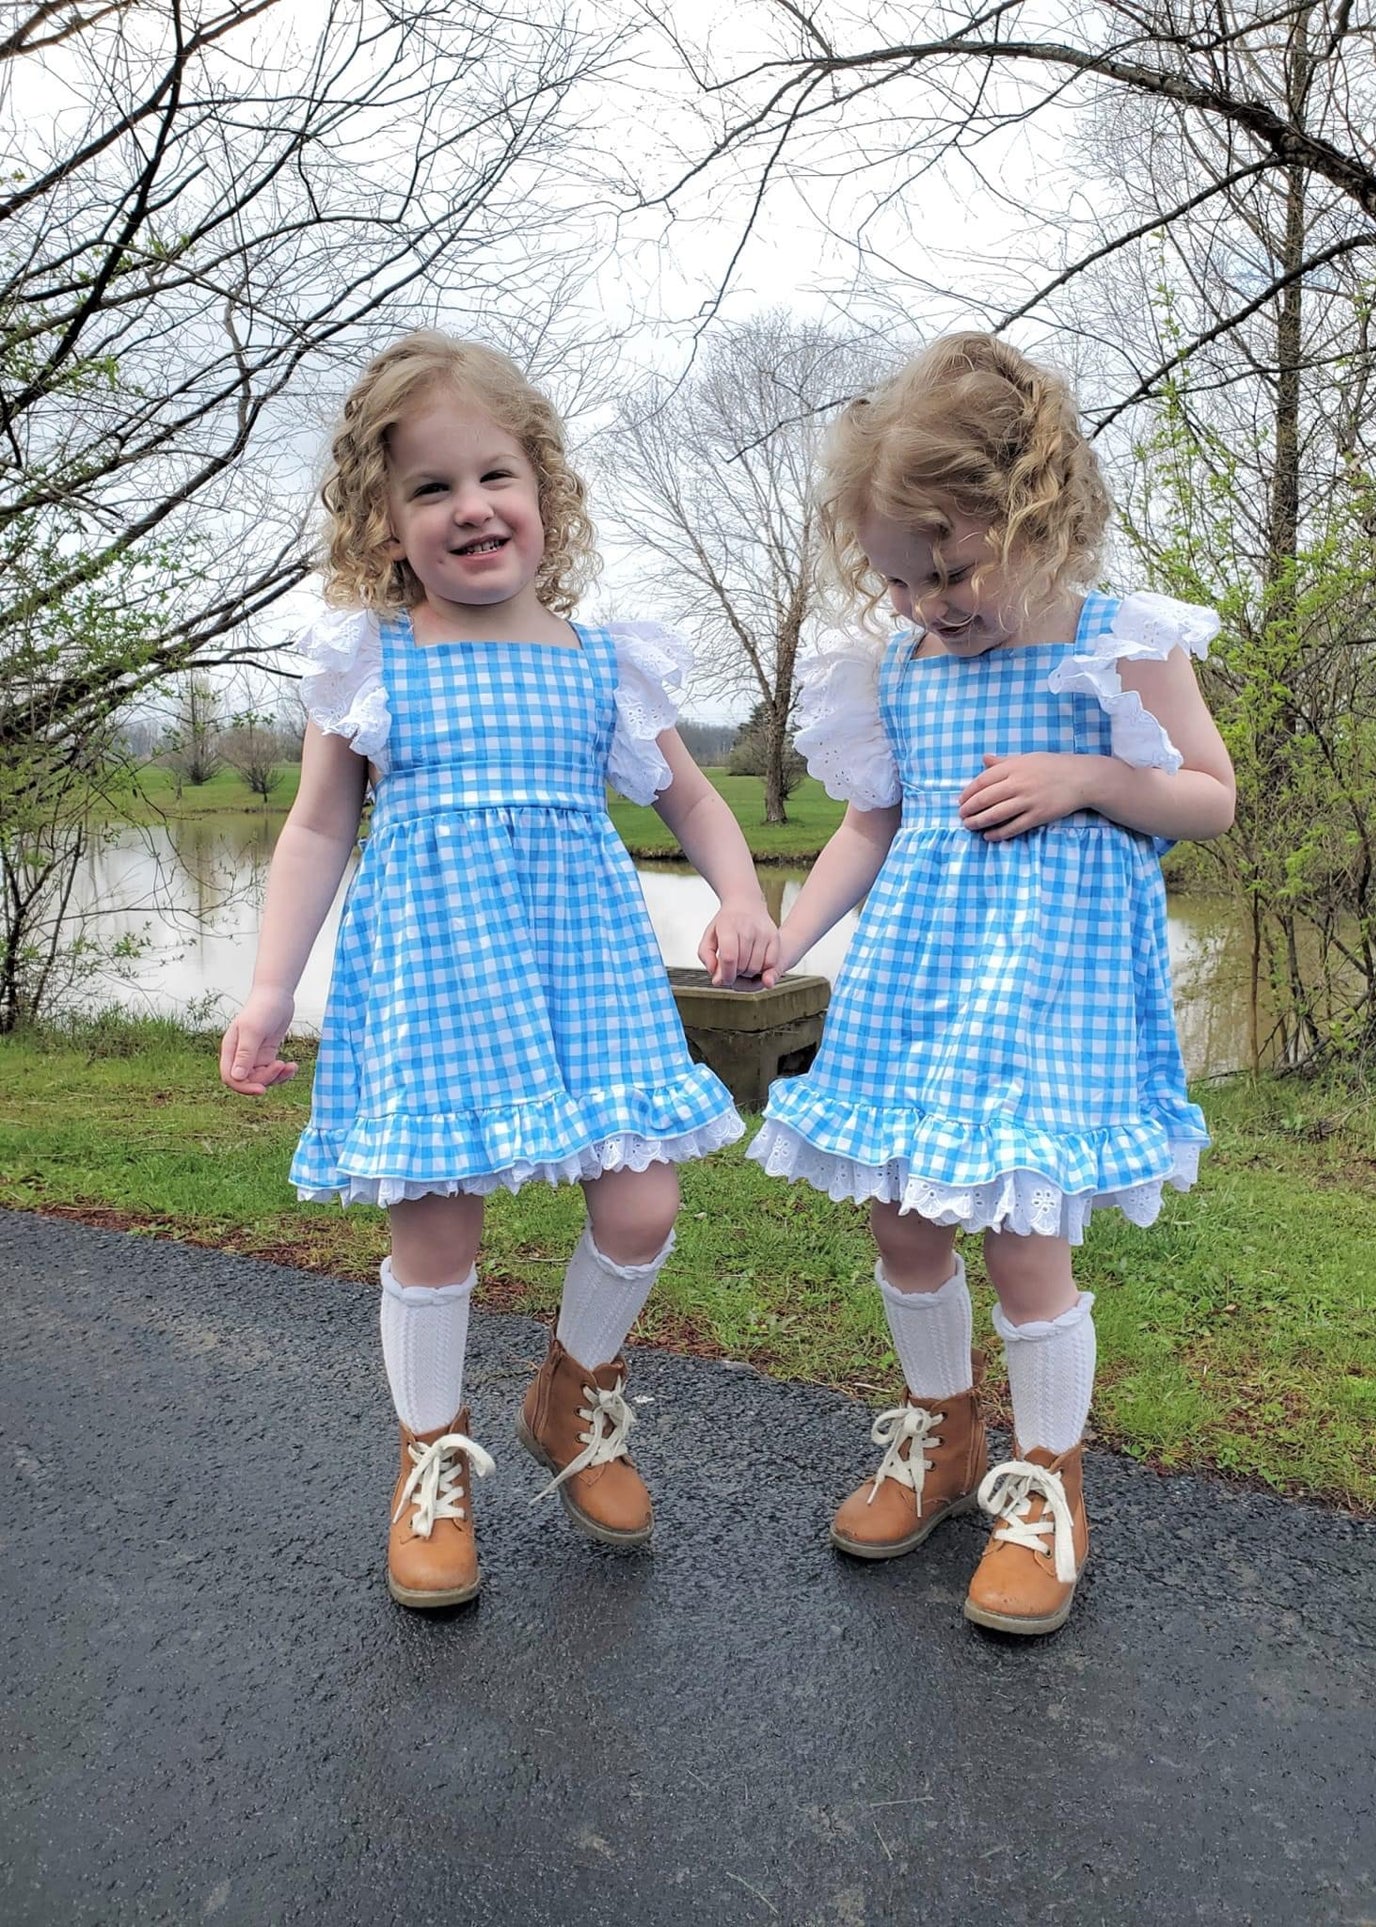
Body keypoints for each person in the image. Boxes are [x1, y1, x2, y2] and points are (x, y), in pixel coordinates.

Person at [220, 331, 777, 1609]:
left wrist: (741, 895)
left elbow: (689, 800)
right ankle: (430, 1461)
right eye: (428, 489)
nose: (469, 508)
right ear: (384, 519)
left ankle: (571, 1392)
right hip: (433, 979)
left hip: (586, 976)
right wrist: (267, 989)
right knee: (436, 1233)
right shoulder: (371, 665)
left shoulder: (601, 662)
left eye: (494, 476)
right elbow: (315, 829)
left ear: (544, 488)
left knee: (640, 1205)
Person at [750, 333, 1235, 1635]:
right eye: (902, 580)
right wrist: (788, 938)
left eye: (951, 569)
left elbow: (1209, 793)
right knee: (904, 1219)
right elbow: (869, 823)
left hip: (1048, 988)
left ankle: (1047, 1482)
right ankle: (944, 1431)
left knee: (1024, 1236)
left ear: (1040, 513)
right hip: (918, 979)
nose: (928, 605)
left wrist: (1089, 779)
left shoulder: (1116, 642)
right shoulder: (903, 671)